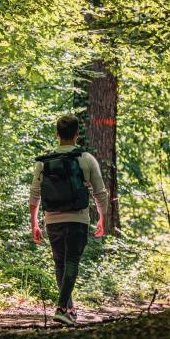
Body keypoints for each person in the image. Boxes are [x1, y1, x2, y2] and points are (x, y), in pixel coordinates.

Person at [29, 114, 108, 325]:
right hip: (77, 219)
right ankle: (62, 307)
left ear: (57, 134)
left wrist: (34, 223)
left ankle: (68, 309)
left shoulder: (44, 162)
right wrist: (102, 217)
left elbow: (34, 194)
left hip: (52, 219)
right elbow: (100, 193)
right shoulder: (86, 158)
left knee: (60, 263)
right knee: (71, 261)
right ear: (76, 135)